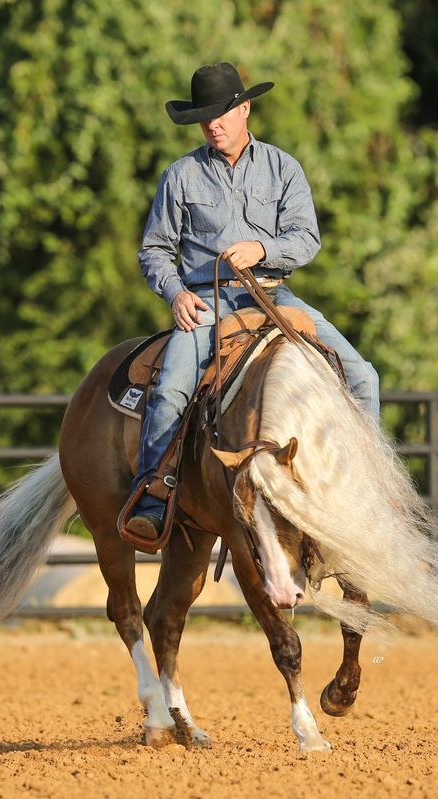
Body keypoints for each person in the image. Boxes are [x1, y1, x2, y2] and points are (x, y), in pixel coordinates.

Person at [125, 62, 379, 542]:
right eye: (203, 117)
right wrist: (176, 293)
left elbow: (306, 238)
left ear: (244, 109)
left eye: (220, 114)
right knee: (173, 388)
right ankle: (154, 495)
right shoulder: (180, 176)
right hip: (207, 302)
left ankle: (366, 489)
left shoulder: (284, 168)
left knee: (363, 376)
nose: (212, 125)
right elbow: (155, 249)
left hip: (273, 295)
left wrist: (263, 249)